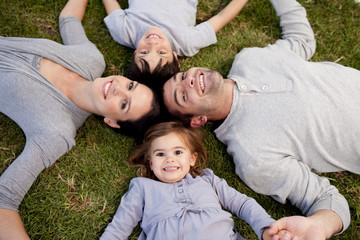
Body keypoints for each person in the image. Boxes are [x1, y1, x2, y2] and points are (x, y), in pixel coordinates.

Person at [162, 0, 360, 238]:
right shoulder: (253, 158)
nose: (188, 80)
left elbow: (301, 42)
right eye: (183, 95)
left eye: (182, 75)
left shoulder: (249, 59)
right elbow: (325, 199)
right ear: (198, 120)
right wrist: (319, 226)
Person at [0, 0, 160, 239]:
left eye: (124, 104)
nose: (118, 88)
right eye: (130, 85)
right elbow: (69, 20)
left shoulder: (56, 132)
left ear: (111, 122)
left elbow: (5, 199)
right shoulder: (92, 60)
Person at [100, 121, 297, 240]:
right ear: (150, 163)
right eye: (160, 154)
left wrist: (265, 226)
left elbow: (241, 203)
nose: (170, 159)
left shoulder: (207, 180)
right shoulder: (143, 188)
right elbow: (119, 226)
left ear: (192, 159)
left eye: (178, 152)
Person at [102, 0, 248, 89]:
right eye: (161, 52)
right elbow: (222, 17)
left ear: (135, 53)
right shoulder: (186, 42)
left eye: (144, 52)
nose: (152, 43)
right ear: (175, 57)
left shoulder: (124, 32)